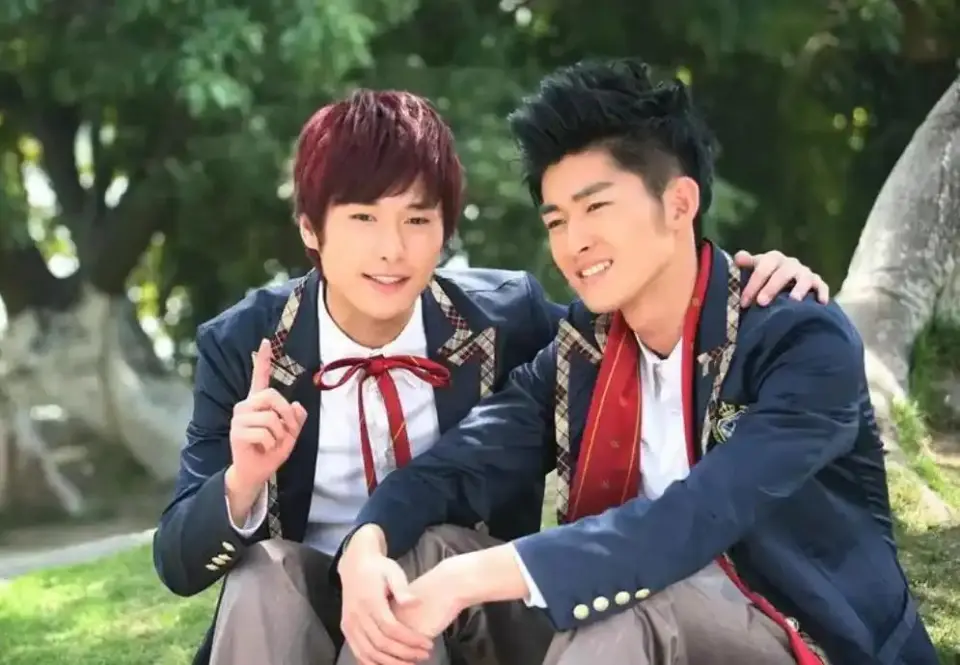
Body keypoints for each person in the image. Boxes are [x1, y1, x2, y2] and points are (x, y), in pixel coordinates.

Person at [151, 87, 829, 665]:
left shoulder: (510, 320)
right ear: (311, 229)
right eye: (362, 218)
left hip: (449, 615)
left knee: (433, 555)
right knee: (261, 573)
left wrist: (747, 277)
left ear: (445, 228)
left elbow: (651, 310)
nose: (392, 249)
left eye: (418, 219)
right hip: (297, 614)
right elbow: (178, 562)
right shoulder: (246, 344)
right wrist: (242, 482)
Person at [337, 61, 938, 665]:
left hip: (798, 633)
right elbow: (462, 463)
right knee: (421, 559)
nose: (575, 242)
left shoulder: (797, 338)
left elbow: (692, 519)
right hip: (628, 637)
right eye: (557, 221)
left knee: (624, 606)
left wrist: (469, 579)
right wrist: (367, 541)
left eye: (596, 207)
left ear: (679, 203)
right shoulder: (584, 349)